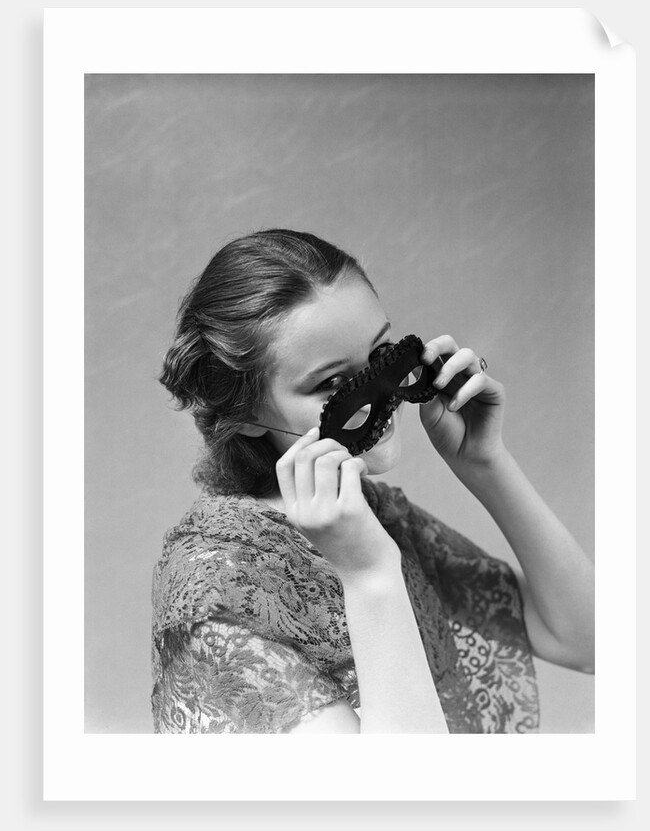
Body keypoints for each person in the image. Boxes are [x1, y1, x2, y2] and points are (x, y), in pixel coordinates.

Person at [152, 228, 594, 734]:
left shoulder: (372, 514)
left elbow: (587, 642)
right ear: (246, 412)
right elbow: (393, 805)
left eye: (386, 356)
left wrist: (487, 464)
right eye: (333, 384)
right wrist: (369, 575)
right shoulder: (214, 584)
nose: (383, 400)